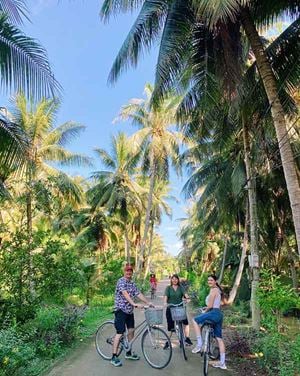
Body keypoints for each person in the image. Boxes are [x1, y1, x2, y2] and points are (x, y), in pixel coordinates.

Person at [111, 264, 153, 367]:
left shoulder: (132, 283)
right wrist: (133, 303)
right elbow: (125, 294)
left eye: (130, 271)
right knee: (120, 333)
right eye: (127, 271)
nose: (129, 272)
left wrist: (147, 303)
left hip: (129, 311)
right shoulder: (121, 281)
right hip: (120, 310)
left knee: (131, 332)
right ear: (124, 272)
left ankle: (128, 353)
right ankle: (114, 356)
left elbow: (138, 293)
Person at [192, 274, 227, 370]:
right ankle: (222, 362)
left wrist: (205, 311)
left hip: (213, 313)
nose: (209, 282)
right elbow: (218, 304)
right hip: (219, 314)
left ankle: (199, 344)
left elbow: (210, 305)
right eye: (208, 280)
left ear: (215, 281)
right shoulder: (218, 290)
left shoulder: (214, 290)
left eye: (211, 280)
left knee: (194, 320)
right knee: (219, 338)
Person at [163, 274, 193, 347]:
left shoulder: (181, 287)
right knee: (171, 327)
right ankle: (168, 341)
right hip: (171, 308)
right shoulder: (168, 288)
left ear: (178, 280)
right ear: (171, 280)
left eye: (176, 279)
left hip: (179, 308)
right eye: (173, 279)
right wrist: (165, 303)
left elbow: (186, 294)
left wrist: (188, 299)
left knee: (185, 323)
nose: (174, 280)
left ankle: (187, 338)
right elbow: (165, 297)